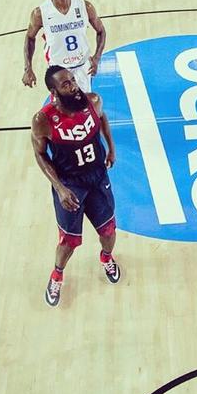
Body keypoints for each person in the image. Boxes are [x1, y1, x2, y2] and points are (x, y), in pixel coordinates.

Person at [31, 66, 120, 307]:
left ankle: (106, 257)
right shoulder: (43, 120)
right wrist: (59, 187)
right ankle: (57, 274)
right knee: (68, 241)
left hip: (98, 177)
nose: (74, 86)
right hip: (70, 184)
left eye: (72, 80)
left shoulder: (93, 101)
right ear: (54, 92)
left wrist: (111, 148)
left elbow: (102, 118)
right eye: (66, 84)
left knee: (108, 230)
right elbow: (40, 154)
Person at [23, 0, 106, 93]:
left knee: (85, 103)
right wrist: (28, 68)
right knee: (62, 104)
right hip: (58, 71)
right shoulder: (40, 13)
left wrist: (97, 57)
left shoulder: (84, 6)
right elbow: (29, 38)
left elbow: (101, 31)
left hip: (82, 66)